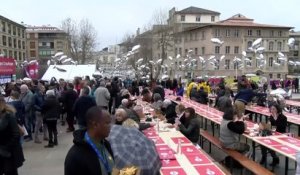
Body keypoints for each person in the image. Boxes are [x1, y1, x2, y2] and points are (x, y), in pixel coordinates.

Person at [64, 107, 114, 175]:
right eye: (107, 123)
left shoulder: (106, 144)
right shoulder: (75, 156)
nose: (110, 126)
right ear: (95, 124)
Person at [0, 95, 25, 175]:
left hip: (9, 152)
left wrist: (6, 148)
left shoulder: (9, 115)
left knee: (10, 172)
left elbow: (16, 134)